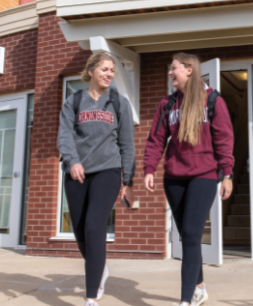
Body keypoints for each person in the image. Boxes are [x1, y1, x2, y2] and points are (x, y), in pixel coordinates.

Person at [143, 53, 235, 306]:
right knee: (187, 235)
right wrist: (149, 168)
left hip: (204, 175)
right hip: (174, 177)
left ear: (189, 70)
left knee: (192, 234)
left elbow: (224, 139)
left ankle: (185, 300)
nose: (170, 73)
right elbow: (156, 140)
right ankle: (200, 288)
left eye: (174, 68)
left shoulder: (213, 100)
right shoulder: (167, 104)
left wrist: (227, 174)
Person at [57, 53, 136, 306]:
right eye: (104, 69)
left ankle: (91, 297)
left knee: (94, 227)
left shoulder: (118, 102)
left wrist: (128, 181)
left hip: (107, 171)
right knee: (80, 232)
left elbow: (127, 144)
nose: (109, 74)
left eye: (112, 70)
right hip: (77, 173)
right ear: (90, 71)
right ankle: (100, 268)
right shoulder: (74, 101)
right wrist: (72, 160)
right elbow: (65, 136)